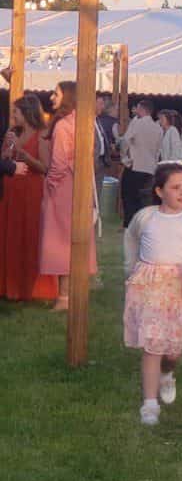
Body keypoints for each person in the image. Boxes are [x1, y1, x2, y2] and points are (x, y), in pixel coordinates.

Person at [122, 164, 182, 426]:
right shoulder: (146, 217)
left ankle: (168, 372)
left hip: (180, 289)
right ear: (159, 191)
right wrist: (131, 268)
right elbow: (130, 238)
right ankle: (150, 404)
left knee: (173, 348)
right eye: (176, 187)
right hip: (150, 287)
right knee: (152, 344)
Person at [40, 81, 96, 311]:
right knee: (76, 237)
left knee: (60, 238)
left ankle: (64, 296)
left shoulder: (63, 125)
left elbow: (59, 163)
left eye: (56, 93)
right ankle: (76, 292)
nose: (52, 97)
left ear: (67, 97)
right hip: (79, 184)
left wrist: (50, 186)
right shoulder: (83, 122)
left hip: (64, 186)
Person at [0, 97, 57, 302]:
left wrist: (25, 156)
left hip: (30, 192)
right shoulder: (15, 133)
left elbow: (45, 167)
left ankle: (28, 287)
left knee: (28, 236)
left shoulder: (42, 135)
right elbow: (6, 162)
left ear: (27, 113)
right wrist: (6, 150)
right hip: (10, 193)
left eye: (16, 112)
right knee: (10, 235)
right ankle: (9, 285)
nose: (13, 116)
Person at [118, 100, 163, 227]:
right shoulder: (157, 127)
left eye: (137, 108)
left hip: (135, 165)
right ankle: (143, 223)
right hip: (150, 167)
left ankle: (129, 224)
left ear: (142, 110)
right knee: (144, 198)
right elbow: (159, 149)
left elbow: (125, 141)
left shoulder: (136, 123)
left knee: (128, 196)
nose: (135, 110)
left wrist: (124, 158)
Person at [156, 110, 182, 175]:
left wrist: (171, 166)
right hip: (168, 163)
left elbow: (175, 150)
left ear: (168, 119)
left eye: (162, 118)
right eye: (159, 118)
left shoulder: (173, 130)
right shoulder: (161, 132)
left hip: (179, 162)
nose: (160, 121)